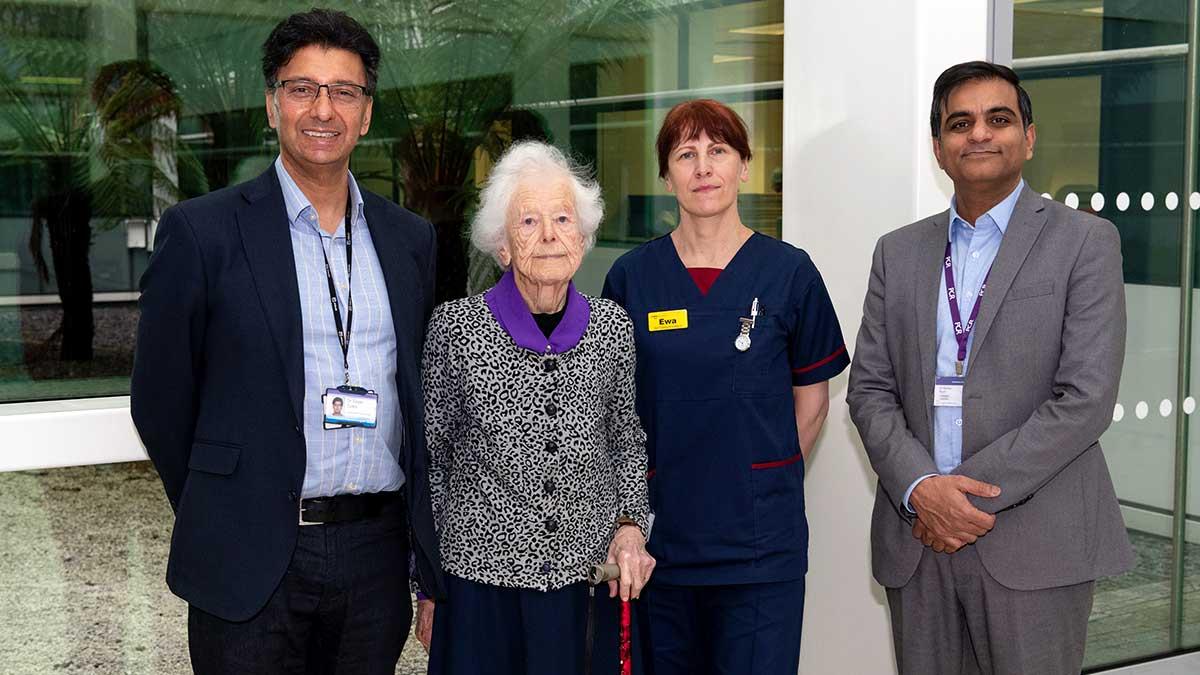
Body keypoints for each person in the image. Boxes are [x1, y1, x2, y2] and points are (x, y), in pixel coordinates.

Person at [130, 9, 443, 674]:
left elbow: (414, 399)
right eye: (302, 88)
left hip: (374, 555)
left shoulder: (410, 239)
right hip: (250, 555)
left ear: (365, 113)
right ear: (272, 106)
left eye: (344, 91)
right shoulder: (202, 233)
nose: (322, 109)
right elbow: (160, 399)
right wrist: (225, 504)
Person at [846, 61, 1133, 674]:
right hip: (919, 539)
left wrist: (961, 499)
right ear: (938, 148)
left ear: (1028, 138)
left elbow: (1085, 398)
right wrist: (924, 490)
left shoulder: (1085, 241)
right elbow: (869, 391)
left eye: (998, 119)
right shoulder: (898, 253)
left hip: (1037, 542)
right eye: (960, 123)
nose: (979, 134)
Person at [602, 99, 850, 675]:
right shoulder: (632, 279)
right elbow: (614, 412)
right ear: (666, 175)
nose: (703, 167)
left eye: (718, 151)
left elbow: (812, 400)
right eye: (685, 155)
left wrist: (764, 477)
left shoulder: (789, 273)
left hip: (760, 550)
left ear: (744, 165)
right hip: (661, 548)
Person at [419, 140, 655, 675]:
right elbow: (431, 462)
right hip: (478, 588)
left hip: (581, 583)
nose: (549, 235)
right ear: (502, 246)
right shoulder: (456, 330)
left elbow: (625, 439)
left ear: (583, 236)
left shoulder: (613, 329)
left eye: (563, 219)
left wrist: (630, 525)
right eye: (528, 221)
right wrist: (426, 583)